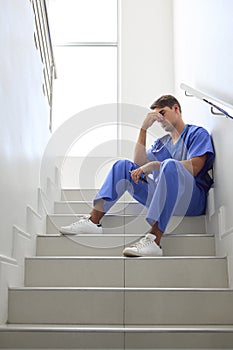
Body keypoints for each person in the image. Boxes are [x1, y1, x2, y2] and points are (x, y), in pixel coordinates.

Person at [60, 95, 215, 257]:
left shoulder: (197, 133)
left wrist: (156, 165)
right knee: (123, 166)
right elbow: (139, 163)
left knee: (169, 165)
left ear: (176, 109)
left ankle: (154, 240)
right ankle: (93, 221)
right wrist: (144, 129)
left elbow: (195, 167)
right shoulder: (162, 144)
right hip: (163, 196)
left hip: (191, 199)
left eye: (163, 113)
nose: (160, 119)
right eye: (156, 116)